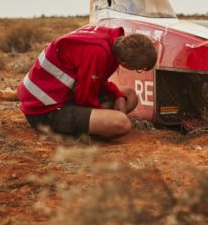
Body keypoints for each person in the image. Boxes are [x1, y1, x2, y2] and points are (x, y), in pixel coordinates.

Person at [17, 25, 158, 140]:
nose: (137, 71)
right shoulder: (97, 53)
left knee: (130, 96)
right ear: (124, 63)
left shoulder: (110, 40)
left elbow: (96, 83)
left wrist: (118, 96)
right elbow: (84, 98)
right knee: (121, 123)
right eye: (138, 69)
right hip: (44, 110)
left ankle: (94, 123)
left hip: (61, 93)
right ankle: (89, 129)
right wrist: (106, 116)